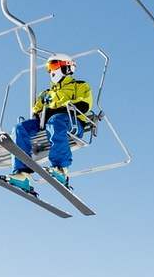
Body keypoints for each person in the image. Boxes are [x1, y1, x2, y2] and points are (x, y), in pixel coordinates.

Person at [6, 57, 93, 191]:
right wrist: (41, 113)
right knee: (20, 127)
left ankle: (60, 168)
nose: (50, 71)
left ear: (67, 67)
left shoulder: (80, 86)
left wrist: (59, 109)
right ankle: (22, 174)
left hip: (72, 123)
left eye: (54, 66)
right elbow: (36, 110)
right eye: (49, 68)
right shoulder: (46, 93)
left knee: (56, 120)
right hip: (46, 124)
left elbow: (84, 105)